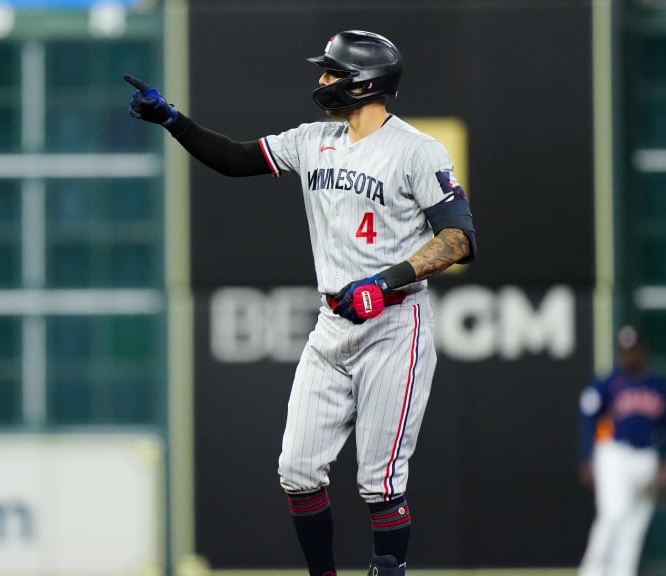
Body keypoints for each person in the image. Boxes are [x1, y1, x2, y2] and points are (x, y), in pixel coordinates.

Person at [126, 30, 476, 576]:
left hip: (394, 325)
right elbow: (238, 159)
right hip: (333, 323)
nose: (322, 81)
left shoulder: (417, 149)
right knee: (298, 469)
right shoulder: (316, 138)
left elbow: (459, 239)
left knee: (379, 481)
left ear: (364, 83)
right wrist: (175, 121)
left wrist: (386, 282)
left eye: (332, 73)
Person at [578, 325, 666, 576]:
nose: (630, 355)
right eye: (625, 350)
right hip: (615, 454)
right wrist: (588, 455)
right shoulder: (610, 381)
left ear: (642, 350)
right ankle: (592, 572)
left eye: (634, 350)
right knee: (613, 515)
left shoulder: (657, 385)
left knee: (635, 526)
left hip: (646, 458)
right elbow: (588, 415)